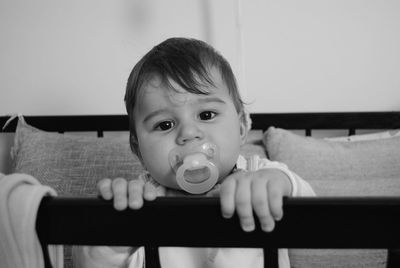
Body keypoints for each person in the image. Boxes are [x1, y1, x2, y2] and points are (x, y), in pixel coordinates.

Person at [73, 37, 315, 268]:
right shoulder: (139, 202)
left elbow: (317, 216)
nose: (189, 133)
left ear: (241, 127)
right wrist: (105, 243)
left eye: (206, 115)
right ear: (138, 149)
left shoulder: (259, 174)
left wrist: (277, 185)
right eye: (165, 125)